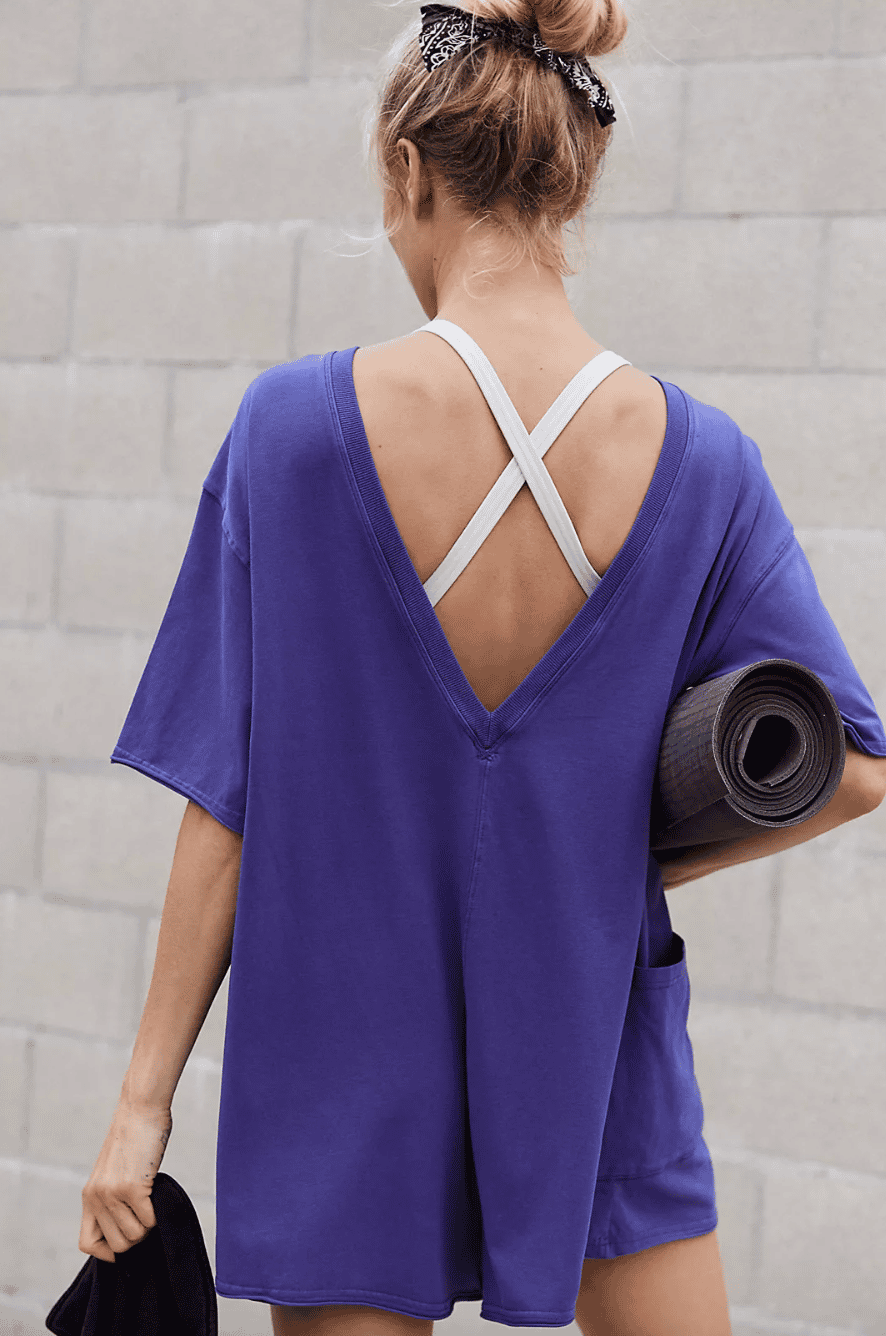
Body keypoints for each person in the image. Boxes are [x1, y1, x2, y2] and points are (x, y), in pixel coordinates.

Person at [79, 2, 886, 1334]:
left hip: (340, 1056)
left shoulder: (289, 434)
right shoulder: (705, 461)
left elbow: (224, 808)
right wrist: (605, 859)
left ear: (409, 173)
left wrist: (141, 1106)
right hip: (591, 1038)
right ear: (572, 179)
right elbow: (851, 771)